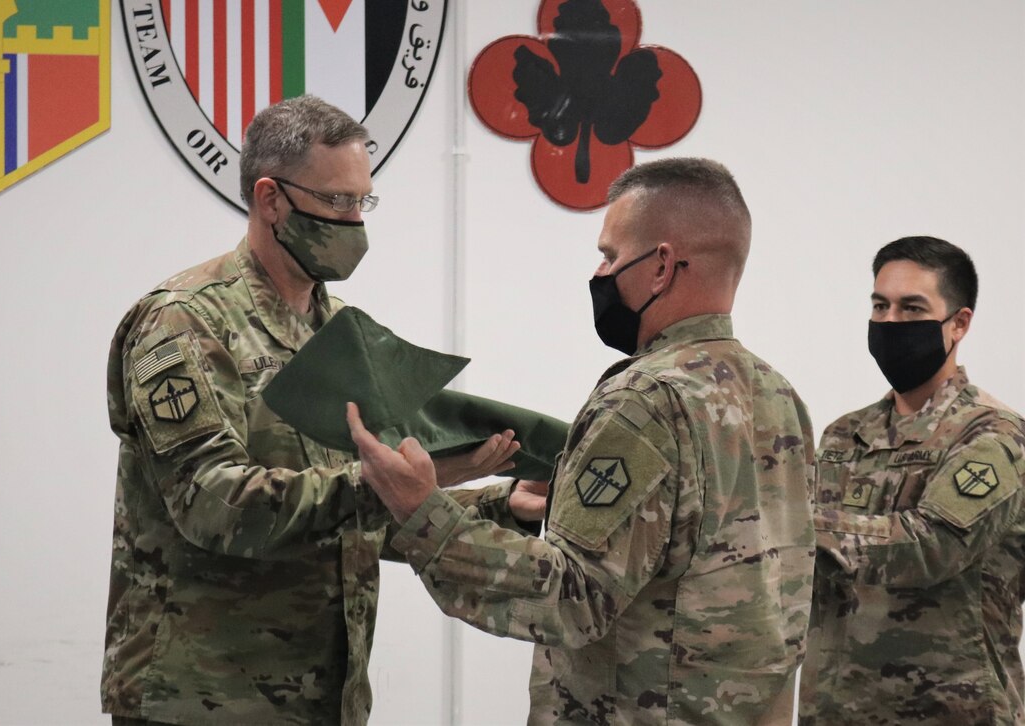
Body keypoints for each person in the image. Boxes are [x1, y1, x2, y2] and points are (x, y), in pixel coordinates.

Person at [100, 95, 545, 725]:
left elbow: (346, 522)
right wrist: (379, 484)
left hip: (324, 699)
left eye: (364, 201)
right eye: (337, 201)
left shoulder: (337, 332)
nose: (354, 219)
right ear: (270, 198)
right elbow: (210, 503)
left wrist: (500, 503)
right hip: (203, 700)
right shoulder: (185, 320)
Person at [346, 158, 817, 724]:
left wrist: (422, 510)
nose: (600, 271)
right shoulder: (776, 394)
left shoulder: (645, 401)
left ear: (662, 265)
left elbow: (570, 600)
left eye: (611, 256)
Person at [800, 236, 1025, 724]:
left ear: (959, 323)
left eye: (912, 307)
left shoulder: (993, 435)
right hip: (837, 709)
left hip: (952, 711)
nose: (890, 322)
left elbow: (933, 546)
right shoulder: (844, 435)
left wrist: (794, 524)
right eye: (880, 306)